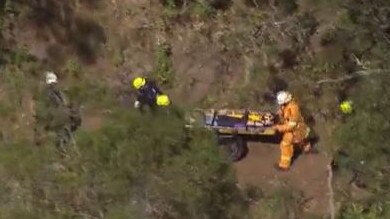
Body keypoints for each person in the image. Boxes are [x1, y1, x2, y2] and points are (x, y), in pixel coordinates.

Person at [34, 71, 81, 156]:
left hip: (60, 118)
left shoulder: (53, 93)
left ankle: (63, 151)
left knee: (63, 136)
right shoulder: (56, 93)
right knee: (64, 136)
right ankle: (64, 151)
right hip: (61, 118)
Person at [272, 91, 312, 171]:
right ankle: (307, 148)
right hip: (299, 129)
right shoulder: (288, 105)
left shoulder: (293, 108)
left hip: (296, 130)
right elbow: (284, 111)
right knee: (301, 140)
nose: (281, 105)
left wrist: (278, 127)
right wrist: (279, 114)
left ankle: (284, 165)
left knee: (285, 145)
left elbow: (291, 126)